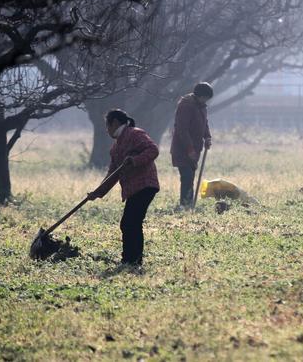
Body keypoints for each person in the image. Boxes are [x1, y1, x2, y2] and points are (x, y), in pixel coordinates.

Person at [88, 109, 160, 269]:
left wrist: (134, 160)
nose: (106, 130)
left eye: (107, 126)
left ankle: (132, 261)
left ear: (114, 123)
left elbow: (153, 150)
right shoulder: (115, 148)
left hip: (145, 184)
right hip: (133, 189)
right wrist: (98, 192)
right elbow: (112, 174)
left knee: (130, 223)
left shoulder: (135, 134)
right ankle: (130, 260)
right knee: (129, 223)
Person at [170, 82, 213, 207]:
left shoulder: (201, 106)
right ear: (199, 95)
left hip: (195, 148)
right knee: (187, 177)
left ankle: (188, 204)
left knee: (190, 177)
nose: (206, 100)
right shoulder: (186, 106)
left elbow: (205, 123)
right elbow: (182, 129)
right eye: (205, 97)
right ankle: (185, 205)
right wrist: (189, 149)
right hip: (182, 149)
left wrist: (207, 137)